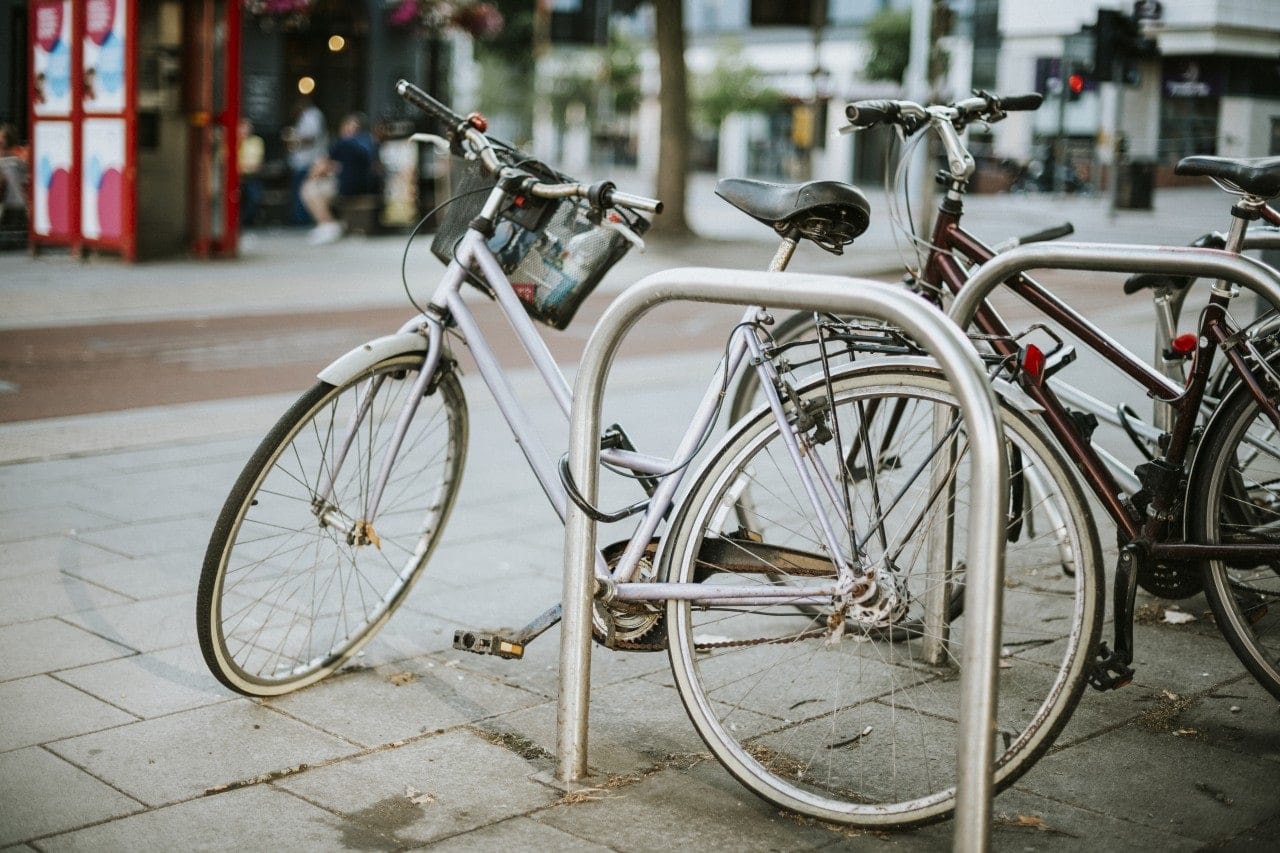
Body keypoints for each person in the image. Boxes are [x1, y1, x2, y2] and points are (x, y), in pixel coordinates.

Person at [300, 112, 381, 245]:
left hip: (347, 188)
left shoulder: (344, 142)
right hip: (369, 187)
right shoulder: (371, 142)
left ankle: (328, 224)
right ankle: (330, 224)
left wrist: (313, 175)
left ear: (351, 126)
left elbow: (320, 167)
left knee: (309, 188)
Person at [283, 97, 327, 226]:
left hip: (307, 161)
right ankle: (299, 218)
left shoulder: (312, 116)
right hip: (301, 162)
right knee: (299, 191)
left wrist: (294, 140)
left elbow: (311, 138)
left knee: (302, 192)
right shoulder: (305, 117)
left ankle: (302, 220)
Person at [236, 117, 264, 228]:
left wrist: (241, 167)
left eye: (247, 127)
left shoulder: (256, 141)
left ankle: (245, 222)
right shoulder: (231, 140)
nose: (245, 130)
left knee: (254, 197)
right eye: (242, 127)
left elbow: (256, 165)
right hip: (235, 179)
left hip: (251, 177)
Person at [0, 123, 29, 228]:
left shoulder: (17, 161)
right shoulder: (18, 160)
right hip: (15, 206)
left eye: (2, 137)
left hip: (14, 206)